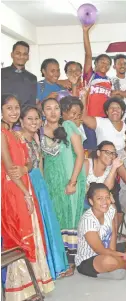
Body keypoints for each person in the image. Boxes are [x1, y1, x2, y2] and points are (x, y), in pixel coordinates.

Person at [1, 94, 54, 299]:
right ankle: (19, 289)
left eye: (16, 108)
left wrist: (25, 168)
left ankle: (34, 283)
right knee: (20, 235)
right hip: (13, 190)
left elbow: (30, 163)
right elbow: (8, 169)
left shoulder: (14, 134)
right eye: (9, 108)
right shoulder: (2, 134)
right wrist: (25, 194)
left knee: (32, 232)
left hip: (24, 185)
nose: (14, 112)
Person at [19, 105, 68, 279]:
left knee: (46, 223)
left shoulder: (35, 138)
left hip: (39, 183)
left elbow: (39, 163)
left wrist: (44, 185)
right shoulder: (18, 139)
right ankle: (34, 272)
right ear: (21, 121)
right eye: (29, 119)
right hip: (27, 184)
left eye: (36, 119)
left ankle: (49, 267)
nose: (34, 122)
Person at [41, 97, 86, 275]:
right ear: (42, 111)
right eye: (48, 108)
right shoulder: (38, 131)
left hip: (71, 180)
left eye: (56, 108)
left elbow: (80, 155)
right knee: (56, 219)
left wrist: (73, 182)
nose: (53, 112)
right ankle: (58, 261)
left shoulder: (68, 126)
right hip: (52, 183)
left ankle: (71, 263)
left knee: (70, 219)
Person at [75, 183, 126, 279]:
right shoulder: (88, 221)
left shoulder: (110, 210)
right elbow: (100, 250)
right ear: (91, 201)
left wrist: (115, 253)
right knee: (109, 261)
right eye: (99, 199)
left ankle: (122, 264)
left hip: (108, 250)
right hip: (90, 259)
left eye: (107, 197)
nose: (105, 202)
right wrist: (123, 255)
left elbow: (113, 234)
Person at [84, 141, 123, 221]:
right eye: (107, 152)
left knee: (113, 209)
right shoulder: (87, 163)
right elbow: (80, 187)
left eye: (113, 153)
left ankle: (112, 233)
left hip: (100, 199)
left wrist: (114, 167)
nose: (111, 156)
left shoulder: (112, 169)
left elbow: (107, 188)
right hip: (84, 198)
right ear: (98, 153)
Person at [82, 24, 112, 117]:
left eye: (107, 63)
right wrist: (85, 32)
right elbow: (88, 54)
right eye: (102, 62)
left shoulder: (109, 81)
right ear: (95, 63)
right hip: (90, 118)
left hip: (105, 119)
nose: (105, 64)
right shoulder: (90, 75)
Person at [1, 41, 37, 106]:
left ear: (28, 57)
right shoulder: (2, 73)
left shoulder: (32, 78)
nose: (21, 56)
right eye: (18, 53)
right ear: (12, 54)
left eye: (25, 54)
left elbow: (32, 103)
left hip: (24, 115)